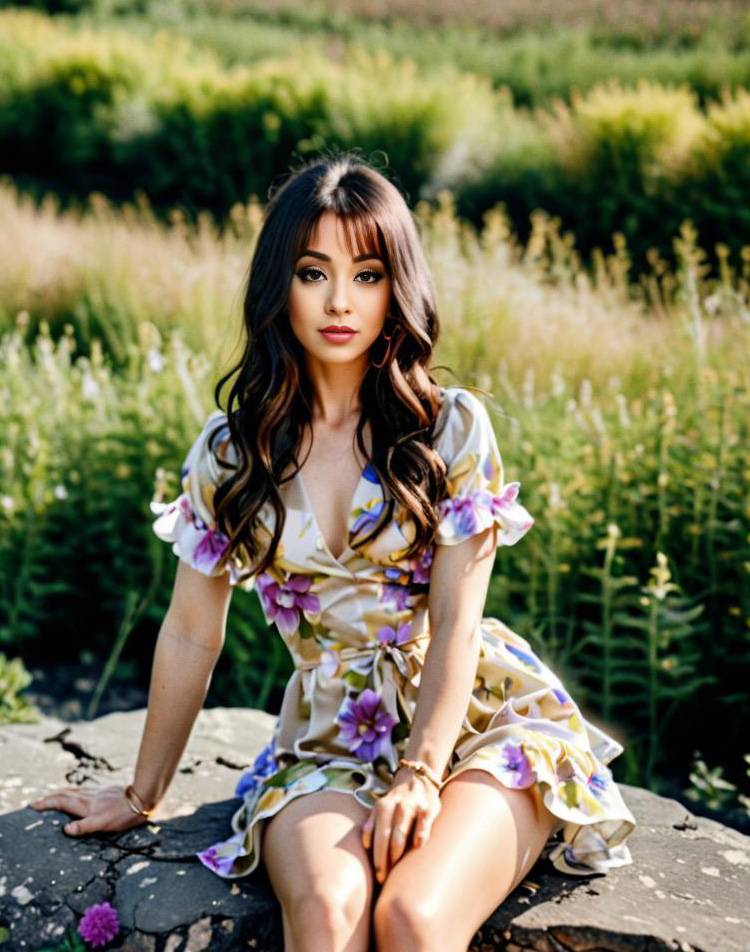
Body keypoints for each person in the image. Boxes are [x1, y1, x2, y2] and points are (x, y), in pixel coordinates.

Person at [29, 151, 636, 952]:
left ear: (399, 286)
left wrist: (421, 774)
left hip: (479, 721)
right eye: (314, 273)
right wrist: (142, 794)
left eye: (368, 274)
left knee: (413, 920)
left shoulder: (449, 429)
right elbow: (188, 631)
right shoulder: (231, 452)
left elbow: (457, 621)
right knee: (326, 914)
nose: (341, 301)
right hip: (328, 736)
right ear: (280, 285)